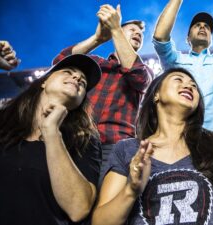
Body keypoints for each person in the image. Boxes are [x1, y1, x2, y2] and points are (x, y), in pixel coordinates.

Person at [91, 68, 213, 225]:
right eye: (178, 79)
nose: (188, 86)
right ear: (156, 94)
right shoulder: (127, 149)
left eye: (194, 86)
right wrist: (131, 190)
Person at [53, 4, 153, 183]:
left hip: (115, 146)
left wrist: (116, 28)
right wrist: (98, 38)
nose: (138, 33)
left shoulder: (143, 69)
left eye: (141, 33)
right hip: (78, 140)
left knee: (105, 203)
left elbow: (139, 78)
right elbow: (60, 62)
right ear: (118, 35)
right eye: (132, 30)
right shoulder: (95, 63)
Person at [0, 54, 102, 224]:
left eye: (83, 82)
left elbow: (78, 209)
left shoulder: (85, 140)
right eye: (68, 72)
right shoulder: (3, 121)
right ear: (44, 82)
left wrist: (52, 132)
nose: (77, 77)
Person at [152, 0, 213, 134]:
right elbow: (160, 37)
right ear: (188, 39)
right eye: (197, 25)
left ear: (211, 40)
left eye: (207, 27)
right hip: (182, 137)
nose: (203, 27)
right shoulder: (175, 61)